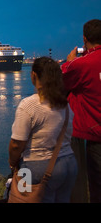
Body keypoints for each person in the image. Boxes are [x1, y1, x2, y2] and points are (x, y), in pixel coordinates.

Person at [8, 57, 77, 203]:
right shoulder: (65, 105)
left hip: (34, 168)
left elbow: (16, 144)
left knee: (22, 198)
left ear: (33, 75)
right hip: (69, 164)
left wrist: (13, 162)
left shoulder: (29, 105)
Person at [61, 19, 101, 203]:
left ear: (84, 38)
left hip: (93, 137)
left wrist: (70, 61)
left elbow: (61, 79)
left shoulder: (80, 64)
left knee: (94, 186)